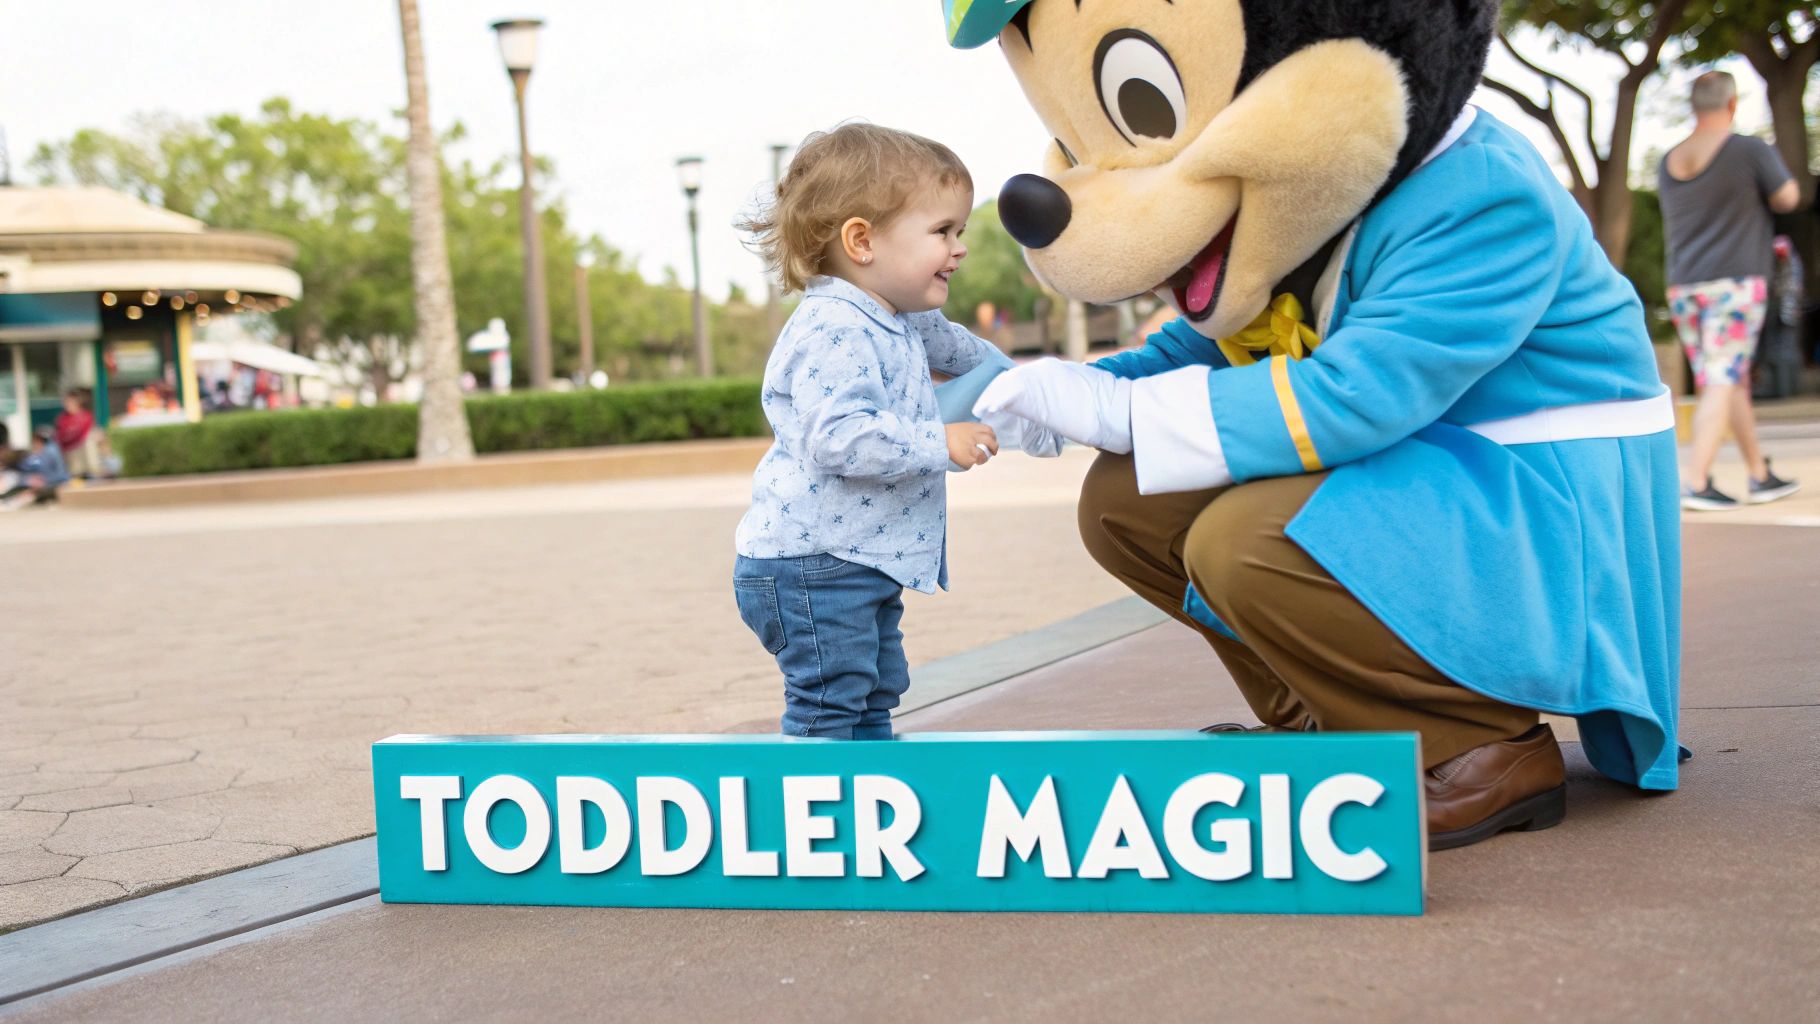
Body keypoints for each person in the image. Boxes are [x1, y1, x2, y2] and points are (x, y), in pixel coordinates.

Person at [731, 123, 1052, 739]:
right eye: (942, 232)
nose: (959, 248)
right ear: (862, 241)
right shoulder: (834, 328)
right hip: (813, 566)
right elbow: (840, 436)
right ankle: (818, 811)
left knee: (875, 690)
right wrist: (941, 439)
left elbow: (968, 355)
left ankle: (870, 798)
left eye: (958, 231)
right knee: (832, 702)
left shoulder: (899, 318)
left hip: (853, 561)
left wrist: (1031, 390)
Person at [1660, 70, 1802, 510]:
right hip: (1735, 283)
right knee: (1723, 380)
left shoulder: (1670, 159)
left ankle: (1760, 474)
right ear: (1733, 104)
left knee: (1726, 379)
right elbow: (1789, 199)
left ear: (1694, 106)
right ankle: (1697, 480)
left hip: (1684, 285)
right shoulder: (1749, 150)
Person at [2, 426, 71, 508]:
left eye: (36, 440)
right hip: (37, 483)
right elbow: (27, 468)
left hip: (50, 485)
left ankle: (10, 502)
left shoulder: (50, 452)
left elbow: (60, 475)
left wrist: (43, 480)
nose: (34, 442)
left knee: (23, 492)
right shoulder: (39, 453)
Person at [54, 389, 97, 479]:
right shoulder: (62, 419)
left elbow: (83, 433)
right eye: (67, 402)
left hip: (83, 453)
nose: (68, 404)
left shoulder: (86, 416)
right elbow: (60, 436)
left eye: (71, 401)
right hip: (69, 454)